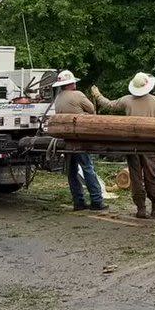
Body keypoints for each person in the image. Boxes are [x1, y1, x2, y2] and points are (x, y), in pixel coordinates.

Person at [93, 72, 155, 219]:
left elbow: (109, 105)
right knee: (152, 176)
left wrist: (97, 95)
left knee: (135, 177)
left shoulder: (127, 100)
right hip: (151, 145)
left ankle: (141, 208)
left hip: (132, 144)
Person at [51, 70, 106, 211]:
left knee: (72, 171)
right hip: (79, 138)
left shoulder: (58, 99)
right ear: (69, 83)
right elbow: (92, 109)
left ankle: (78, 201)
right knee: (88, 168)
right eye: (73, 81)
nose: (75, 83)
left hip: (66, 138)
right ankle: (96, 200)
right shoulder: (78, 95)